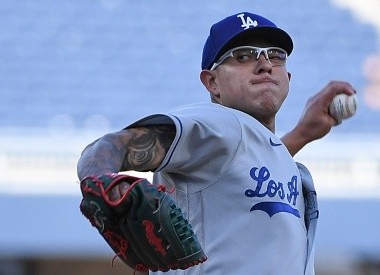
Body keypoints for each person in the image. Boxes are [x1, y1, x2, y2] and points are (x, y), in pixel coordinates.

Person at [77, 11, 356, 275]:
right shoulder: (217, 123)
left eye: (276, 56)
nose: (265, 64)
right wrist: (101, 179)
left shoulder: (254, 149)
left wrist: (302, 134)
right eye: (243, 56)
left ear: (288, 78)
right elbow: (114, 144)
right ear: (212, 82)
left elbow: (245, 167)